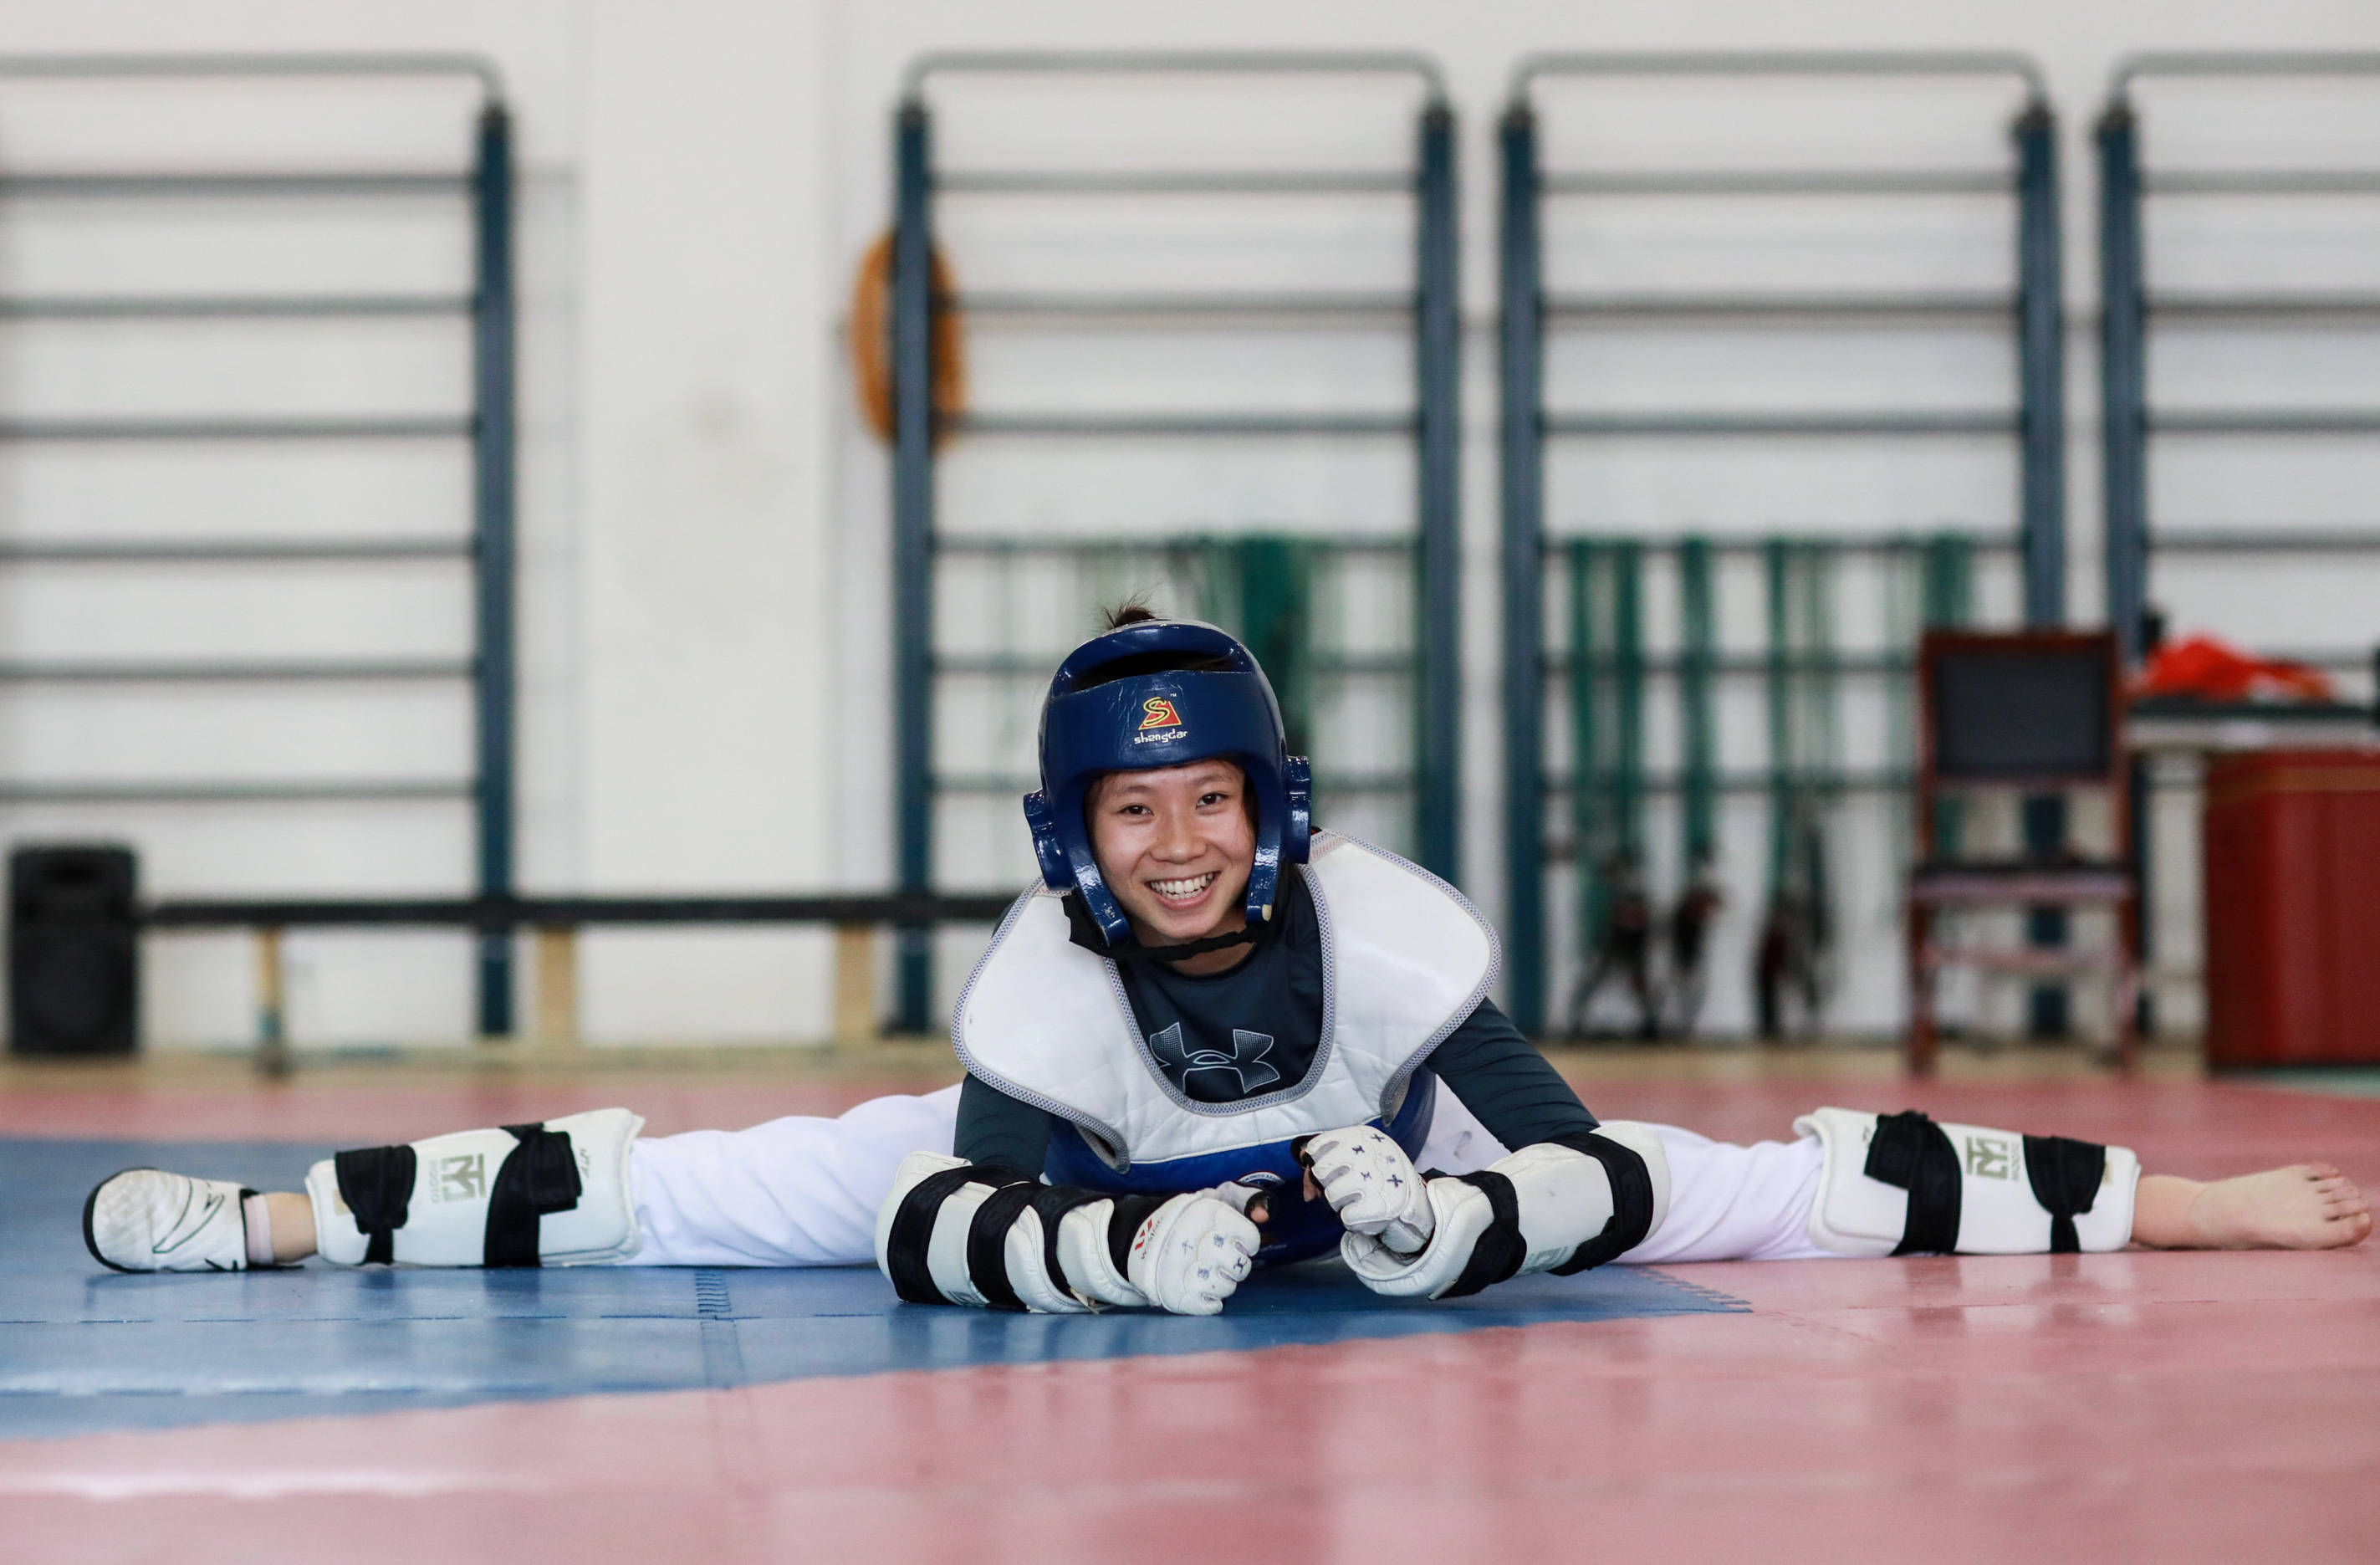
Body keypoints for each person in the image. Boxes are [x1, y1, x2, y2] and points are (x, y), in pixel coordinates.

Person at [84, 611, 2372, 1313]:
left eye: (1207, 804)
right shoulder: (1044, 994)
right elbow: (946, 1222)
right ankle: (269, 1224)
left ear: (1272, 814)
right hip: (1106, 1171)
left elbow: (1615, 1159)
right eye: (1131, 812)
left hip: (1376, 1161)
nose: (1175, 845)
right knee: (690, 1185)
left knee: (1745, 1174)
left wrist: (1471, 1225)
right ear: (1078, 844)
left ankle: (2196, 1205)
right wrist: (1117, 1252)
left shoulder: (1384, 939)